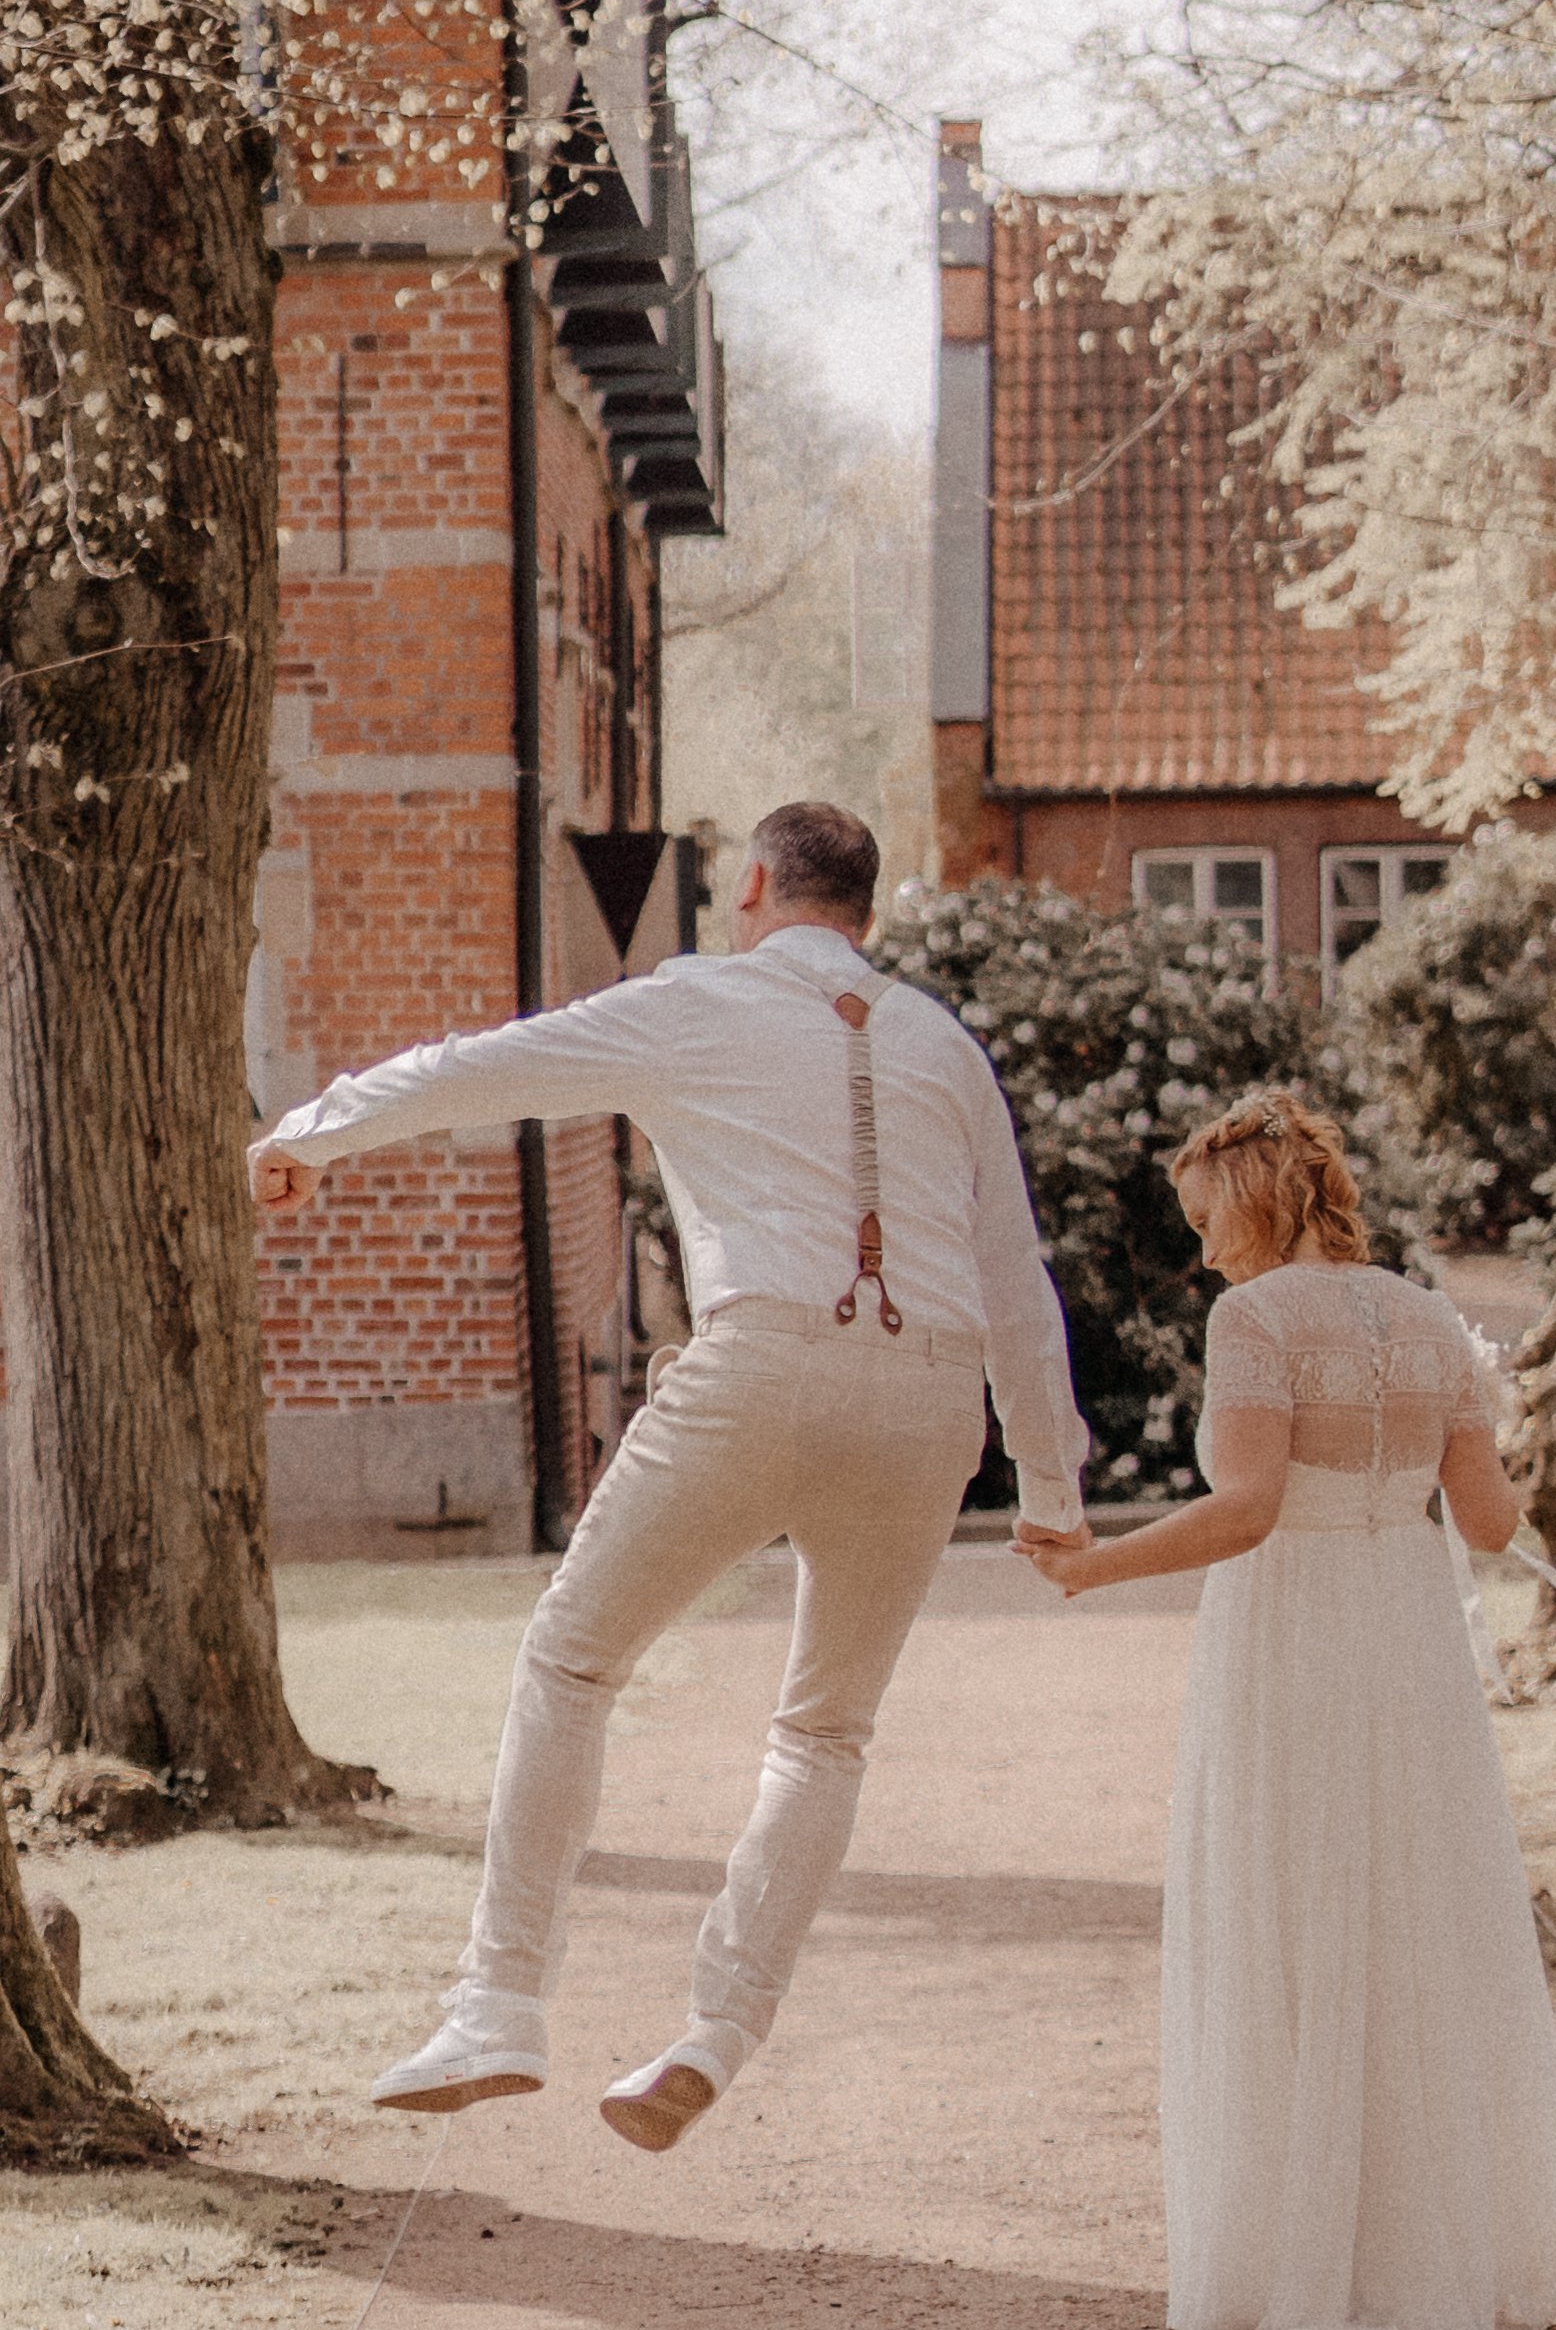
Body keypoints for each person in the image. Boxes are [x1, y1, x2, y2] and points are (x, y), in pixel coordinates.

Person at [250, 803, 1089, 2152]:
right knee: (824, 1733)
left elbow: (492, 1070)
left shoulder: (700, 1000)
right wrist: (1048, 1481)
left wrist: (314, 1134)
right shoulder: (943, 1044)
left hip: (763, 1362)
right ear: (865, 912)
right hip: (931, 1399)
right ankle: (719, 2029)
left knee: (574, 1659)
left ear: (751, 884)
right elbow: (1011, 1274)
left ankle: (503, 2001)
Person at [1018, 1089, 1556, 2330]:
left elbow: (1245, 1509)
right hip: (1405, 1635)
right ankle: (1437, 2245)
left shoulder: (1253, 1319)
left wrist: (1090, 1565)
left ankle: (1308, 2251)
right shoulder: (1425, 1317)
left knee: (1286, 1898)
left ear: (1248, 1202)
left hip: (1290, 1628)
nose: (1202, 1251)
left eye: (1203, 1221)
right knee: (1413, 1906)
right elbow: (1495, 1524)